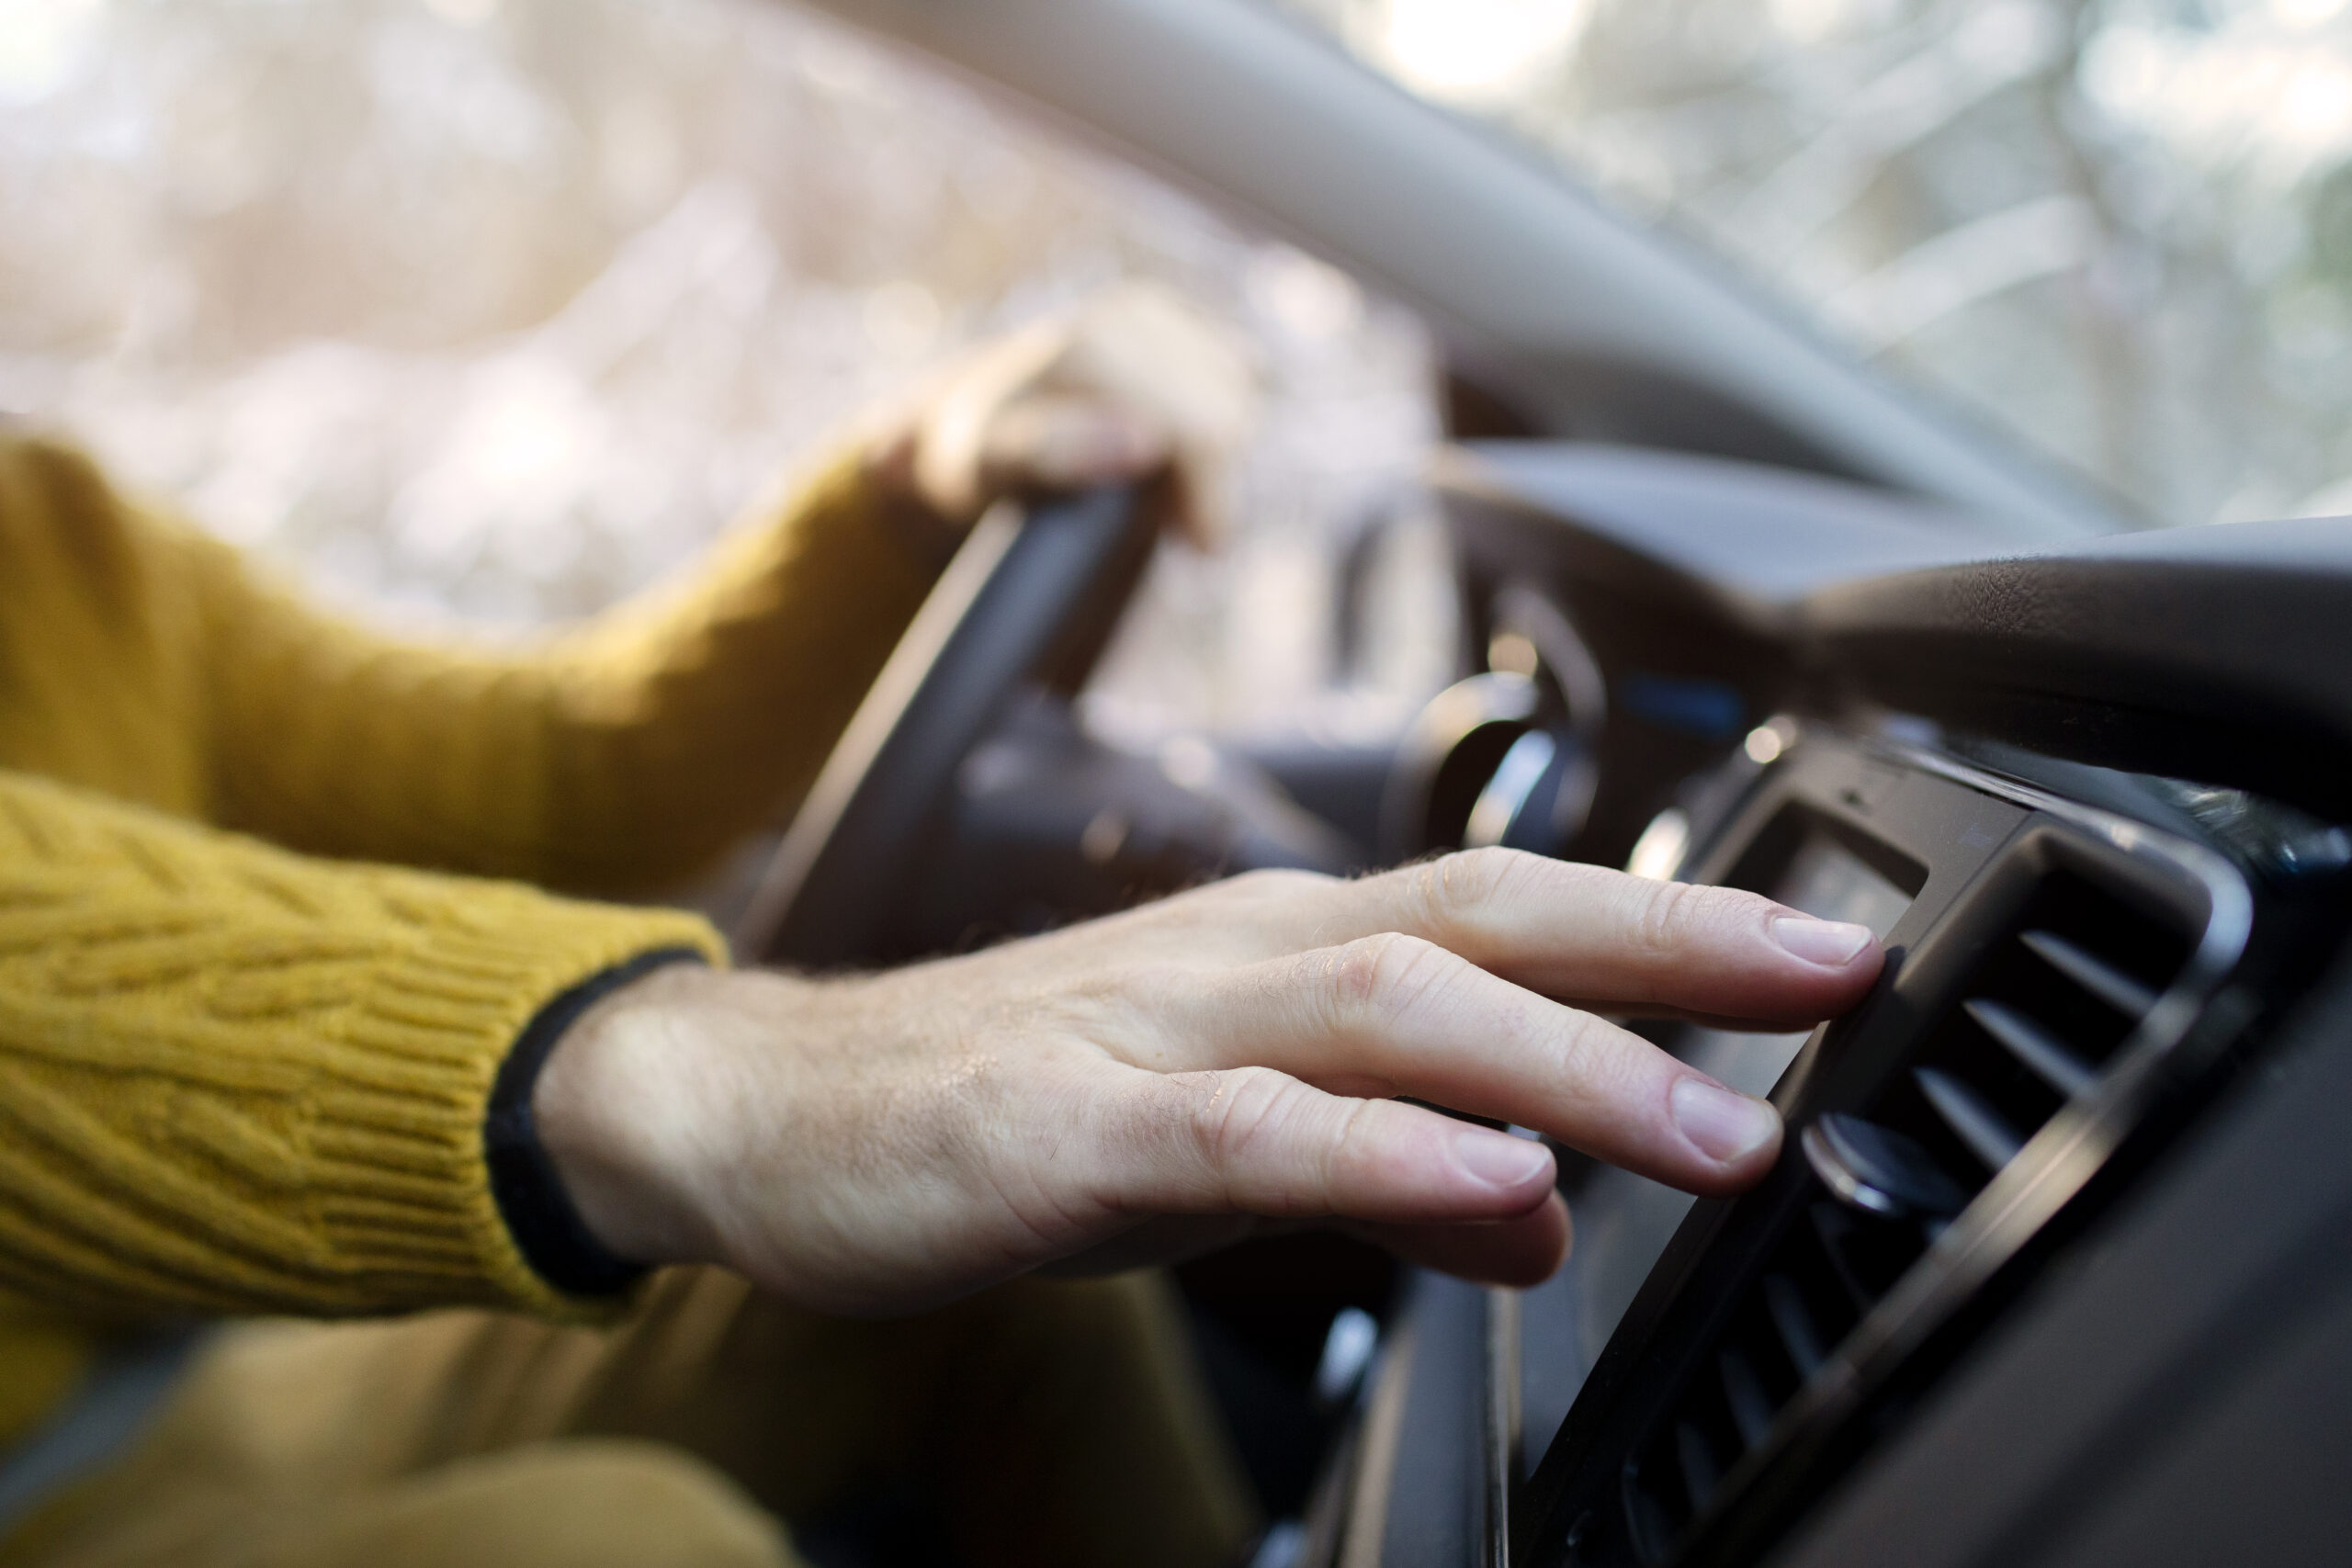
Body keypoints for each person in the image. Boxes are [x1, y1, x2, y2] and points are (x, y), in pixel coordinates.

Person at [0, 285, 1883, 1568]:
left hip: (147, 1391)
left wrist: (905, 496)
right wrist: (722, 1080)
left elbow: (555, 780)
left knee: (1001, 1290)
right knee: (621, 1550)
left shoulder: (46, 537)